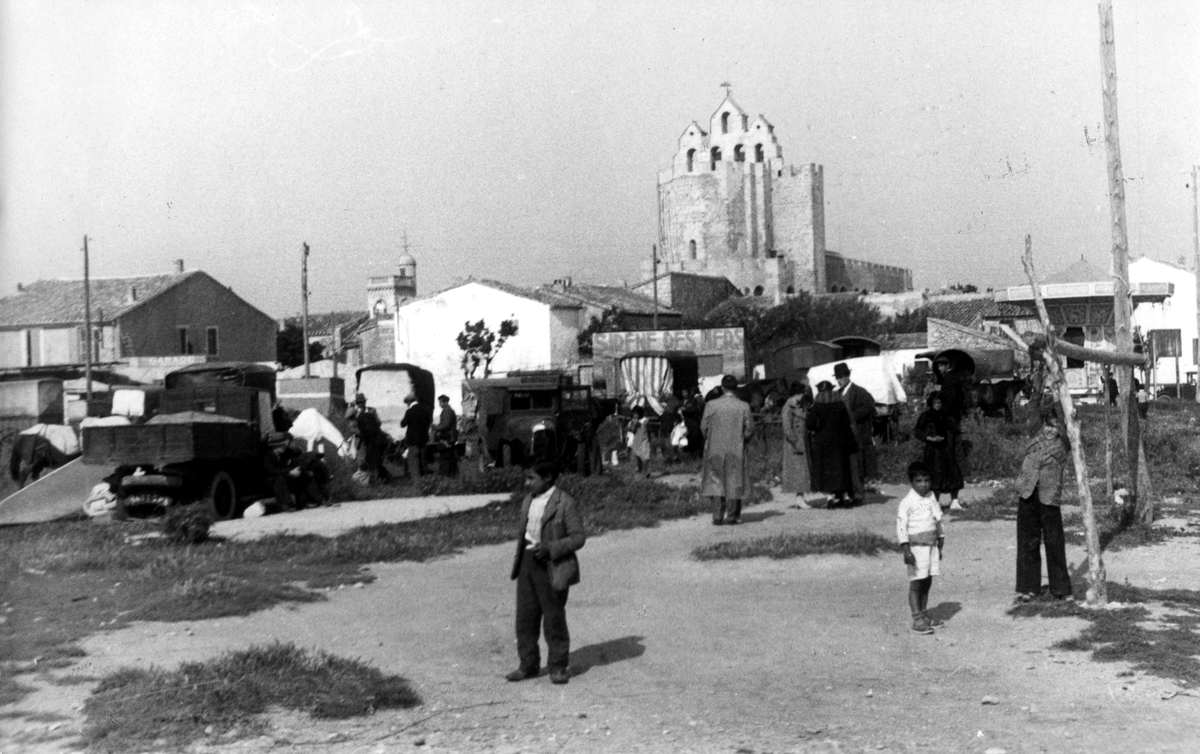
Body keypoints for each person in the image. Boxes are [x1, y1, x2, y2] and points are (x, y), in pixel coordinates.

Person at [507, 461, 586, 685]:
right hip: (527, 563)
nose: (527, 483)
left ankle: (558, 666)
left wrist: (551, 548)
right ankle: (528, 665)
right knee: (525, 618)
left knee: (553, 618)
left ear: (548, 477)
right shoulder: (528, 500)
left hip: (552, 566)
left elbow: (578, 537)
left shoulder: (565, 503)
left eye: (532, 478)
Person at [1014, 415, 1072, 602]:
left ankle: (1060, 589)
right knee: (1027, 543)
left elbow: (1064, 418)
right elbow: (1033, 410)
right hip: (1027, 495)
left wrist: (1059, 400)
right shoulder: (1033, 442)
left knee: (1054, 543)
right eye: (1048, 426)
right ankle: (1028, 588)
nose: (1050, 430)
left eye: (1055, 427)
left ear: (1061, 430)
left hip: (1049, 498)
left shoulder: (1063, 446)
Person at [897, 461, 945, 634]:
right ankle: (917, 618)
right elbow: (901, 526)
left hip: (931, 547)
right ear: (911, 482)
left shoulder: (932, 498)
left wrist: (940, 542)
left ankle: (924, 614)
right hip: (916, 549)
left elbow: (938, 521)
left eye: (926, 480)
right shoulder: (907, 502)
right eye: (919, 481)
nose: (923, 484)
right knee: (917, 583)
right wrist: (906, 550)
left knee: (927, 581)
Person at [701, 375, 755, 525]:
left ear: (722, 387)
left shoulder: (711, 405)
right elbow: (750, 428)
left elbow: (704, 427)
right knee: (734, 479)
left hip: (715, 448)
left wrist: (710, 439)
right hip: (736, 447)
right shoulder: (743, 406)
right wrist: (743, 439)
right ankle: (732, 515)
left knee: (715, 480)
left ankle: (717, 515)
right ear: (736, 388)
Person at [806, 381, 857, 507]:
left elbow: (810, 424)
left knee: (826, 470)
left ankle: (831, 497)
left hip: (823, 442)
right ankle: (845, 496)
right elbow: (847, 422)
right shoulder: (840, 404)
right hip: (840, 441)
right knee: (842, 468)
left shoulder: (817, 405)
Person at [913, 391, 965, 511]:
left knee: (952, 473)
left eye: (940, 402)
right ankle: (934, 502)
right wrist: (928, 437)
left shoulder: (948, 415)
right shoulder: (926, 416)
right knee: (934, 475)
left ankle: (954, 501)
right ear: (931, 403)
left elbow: (956, 431)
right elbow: (917, 431)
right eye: (935, 402)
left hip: (947, 449)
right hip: (933, 451)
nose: (938, 405)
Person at [834, 362, 876, 505]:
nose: (839, 380)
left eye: (841, 377)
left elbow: (869, 407)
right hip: (842, 436)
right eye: (837, 377)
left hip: (857, 435)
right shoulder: (837, 393)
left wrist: (851, 416)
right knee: (845, 466)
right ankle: (848, 494)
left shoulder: (859, 392)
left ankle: (858, 495)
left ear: (848, 376)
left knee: (856, 465)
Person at [779, 380, 814, 505]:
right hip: (794, 443)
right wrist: (795, 441)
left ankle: (801, 496)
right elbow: (787, 427)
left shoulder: (800, 404)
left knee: (802, 470)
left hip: (802, 440)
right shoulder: (789, 406)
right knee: (798, 471)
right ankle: (799, 498)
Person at [400, 393, 433, 479]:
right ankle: (425, 477)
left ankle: (416, 478)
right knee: (422, 459)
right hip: (423, 438)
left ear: (409, 402)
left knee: (413, 459)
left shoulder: (409, 411)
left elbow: (402, 424)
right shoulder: (425, 410)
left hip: (413, 440)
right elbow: (429, 422)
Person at [433, 394, 459, 476]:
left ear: (445, 402)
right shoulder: (448, 410)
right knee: (450, 455)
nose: (439, 404)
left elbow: (446, 425)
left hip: (447, 436)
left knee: (445, 455)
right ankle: (452, 473)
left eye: (440, 402)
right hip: (450, 435)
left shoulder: (447, 411)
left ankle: (446, 473)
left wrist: (435, 427)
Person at [629, 405, 651, 476]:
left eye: (636, 413)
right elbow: (632, 431)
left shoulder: (645, 420)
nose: (635, 415)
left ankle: (646, 471)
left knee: (646, 457)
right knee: (638, 456)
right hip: (637, 441)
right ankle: (639, 469)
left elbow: (648, 429)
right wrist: (634, 425)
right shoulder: (633, 421)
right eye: (634, 414)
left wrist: (640, 423)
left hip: (644, 440)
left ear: (640, 413)